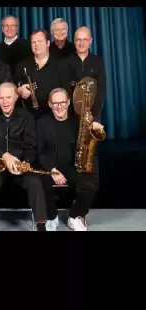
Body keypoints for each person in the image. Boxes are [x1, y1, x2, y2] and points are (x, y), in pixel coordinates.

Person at [0, 82, 49, 231]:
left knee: (35, 181)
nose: (5, 102)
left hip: (20, 163)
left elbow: (30, 144)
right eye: (1, 98)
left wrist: (25, 162)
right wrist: (5, 155)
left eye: (8, 97)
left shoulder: (27, 116)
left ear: (16, 98)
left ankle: (41, 225)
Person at [36, 88, 102, 231]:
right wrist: (52, 170)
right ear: (49, 104)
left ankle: (74, 216)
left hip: (72, 165)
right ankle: (51, 216)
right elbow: (39, 151)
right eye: (55, 103)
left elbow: (88, 143)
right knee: (39, 182)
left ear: (68, 103)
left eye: (62, 102)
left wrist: (95, 128)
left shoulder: (78, 122)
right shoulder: (42, 122)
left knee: (90, 185)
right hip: (49, 167)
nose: (59, 107)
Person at [14, 29, 64, 118]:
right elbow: (13, 88)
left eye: (40, 41)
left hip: (52, 117)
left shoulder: (61, 66)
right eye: (33, 42)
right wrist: (19, 90)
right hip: (27, 118)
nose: (36, 45)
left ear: (48, 43)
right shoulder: (21, 66)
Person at [61, 26, 106, 124]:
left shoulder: (97, 61)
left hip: (91, 114)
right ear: (74, 41)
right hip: (70, 115)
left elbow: (101, 90)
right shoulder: (66, 62)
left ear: (90, 41)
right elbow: (64, 90)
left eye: (85, 39)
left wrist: (93, 113)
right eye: (78, 40)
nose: (81, 43)